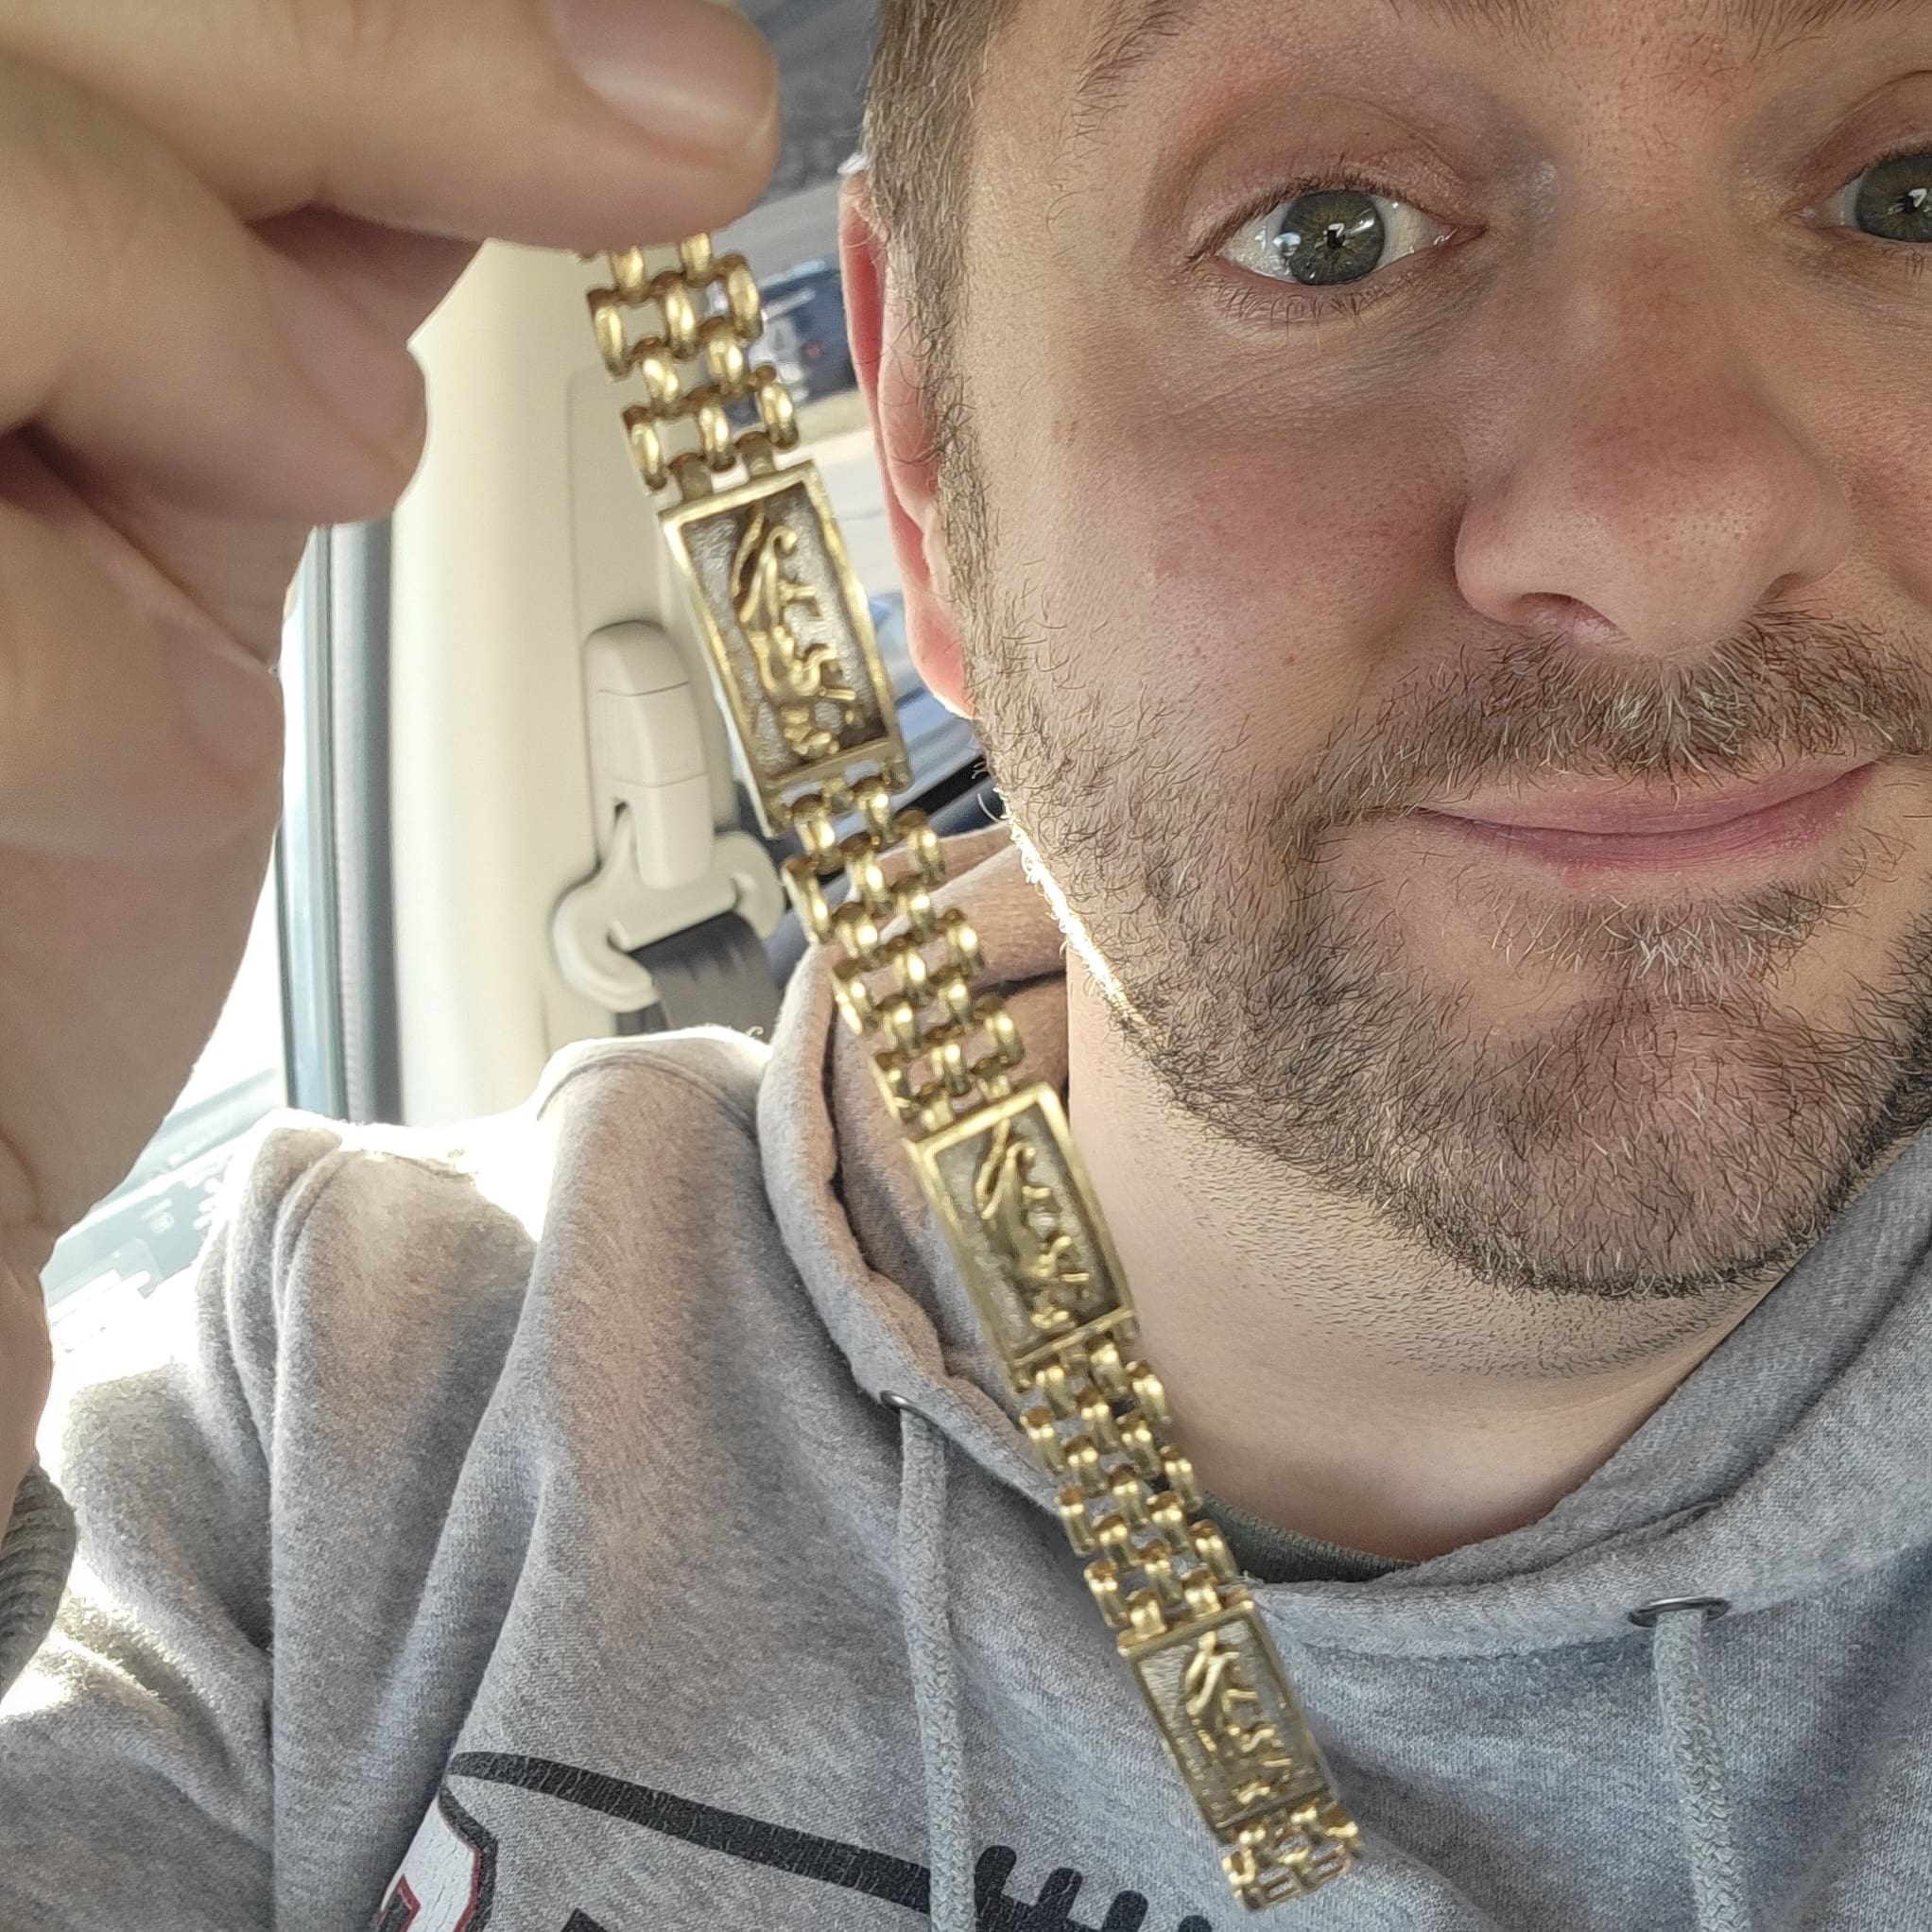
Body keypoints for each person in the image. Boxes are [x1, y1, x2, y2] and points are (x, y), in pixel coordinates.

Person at [3, 0, 1930, 1923]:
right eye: (1323, 231)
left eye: (1911, 196)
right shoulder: (342, 1417)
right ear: (930, 461)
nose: (1678, 534)